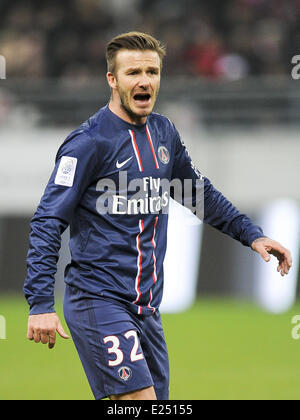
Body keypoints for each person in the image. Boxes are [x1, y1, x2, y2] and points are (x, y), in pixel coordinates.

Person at [24, 31, 292, 401]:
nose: (145, 80)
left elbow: (198, 194)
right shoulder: (88, 142)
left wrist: (251, 234)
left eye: (152, 71)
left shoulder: (164, 133)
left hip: (147, 308)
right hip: (97, 299)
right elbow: (48, 221)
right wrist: (39, 302)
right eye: (133, 72)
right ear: (112, 80)